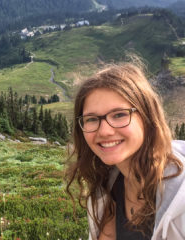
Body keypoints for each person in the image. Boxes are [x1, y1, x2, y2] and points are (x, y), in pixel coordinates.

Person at [66, 60, 185, 240]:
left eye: (119, 115)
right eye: (91, 119)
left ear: (147, 117)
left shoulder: (180, 198)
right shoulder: (109, 185)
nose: (104, 131)